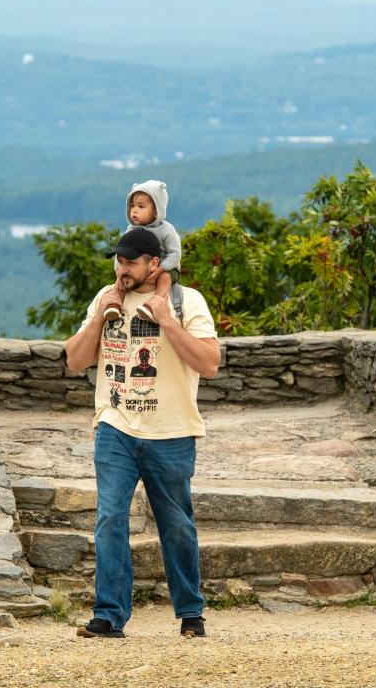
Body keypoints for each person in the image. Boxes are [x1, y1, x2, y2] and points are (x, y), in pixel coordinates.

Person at [65, 226, 220, 639]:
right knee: (110, 519)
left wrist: (168, 321)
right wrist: (100, 315)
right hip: (114, 426)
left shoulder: (186, 302)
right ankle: (109, 615)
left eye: (131, 261)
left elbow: (209, 363)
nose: (123, 268)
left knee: (177, 525)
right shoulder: (106, 299)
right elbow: (76, 360)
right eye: (119, 260)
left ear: (155, 264)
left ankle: (191, 612)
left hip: (171, 432)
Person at [103, 180, 183, 324]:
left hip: (166, 268)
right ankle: (114, 304)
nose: (134, 210)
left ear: (156, 211)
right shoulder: (131, 230)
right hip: (139, 270)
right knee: (121, 281)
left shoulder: (167, 230)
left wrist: (159, 270)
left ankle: (155, 305)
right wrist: (118, 271)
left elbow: (175, 254)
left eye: (141, 206)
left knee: (165, 279)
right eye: (132, 205)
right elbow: (121, 253)